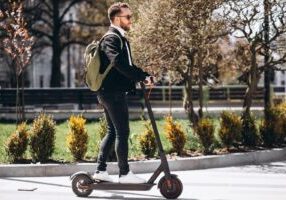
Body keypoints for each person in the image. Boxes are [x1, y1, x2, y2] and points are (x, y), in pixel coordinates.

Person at [93, 2, 154, 184]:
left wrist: (144, 75)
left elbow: (127, 65)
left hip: (111, 92)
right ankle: (124, 174)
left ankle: (101, 171)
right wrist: (141, 77)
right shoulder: (111, 38)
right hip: (112, 93)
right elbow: (119, 63)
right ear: (116, 18)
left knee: (113, 131)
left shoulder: (120, 38)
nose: (131, 20)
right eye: (128, 17)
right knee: (122, 132)